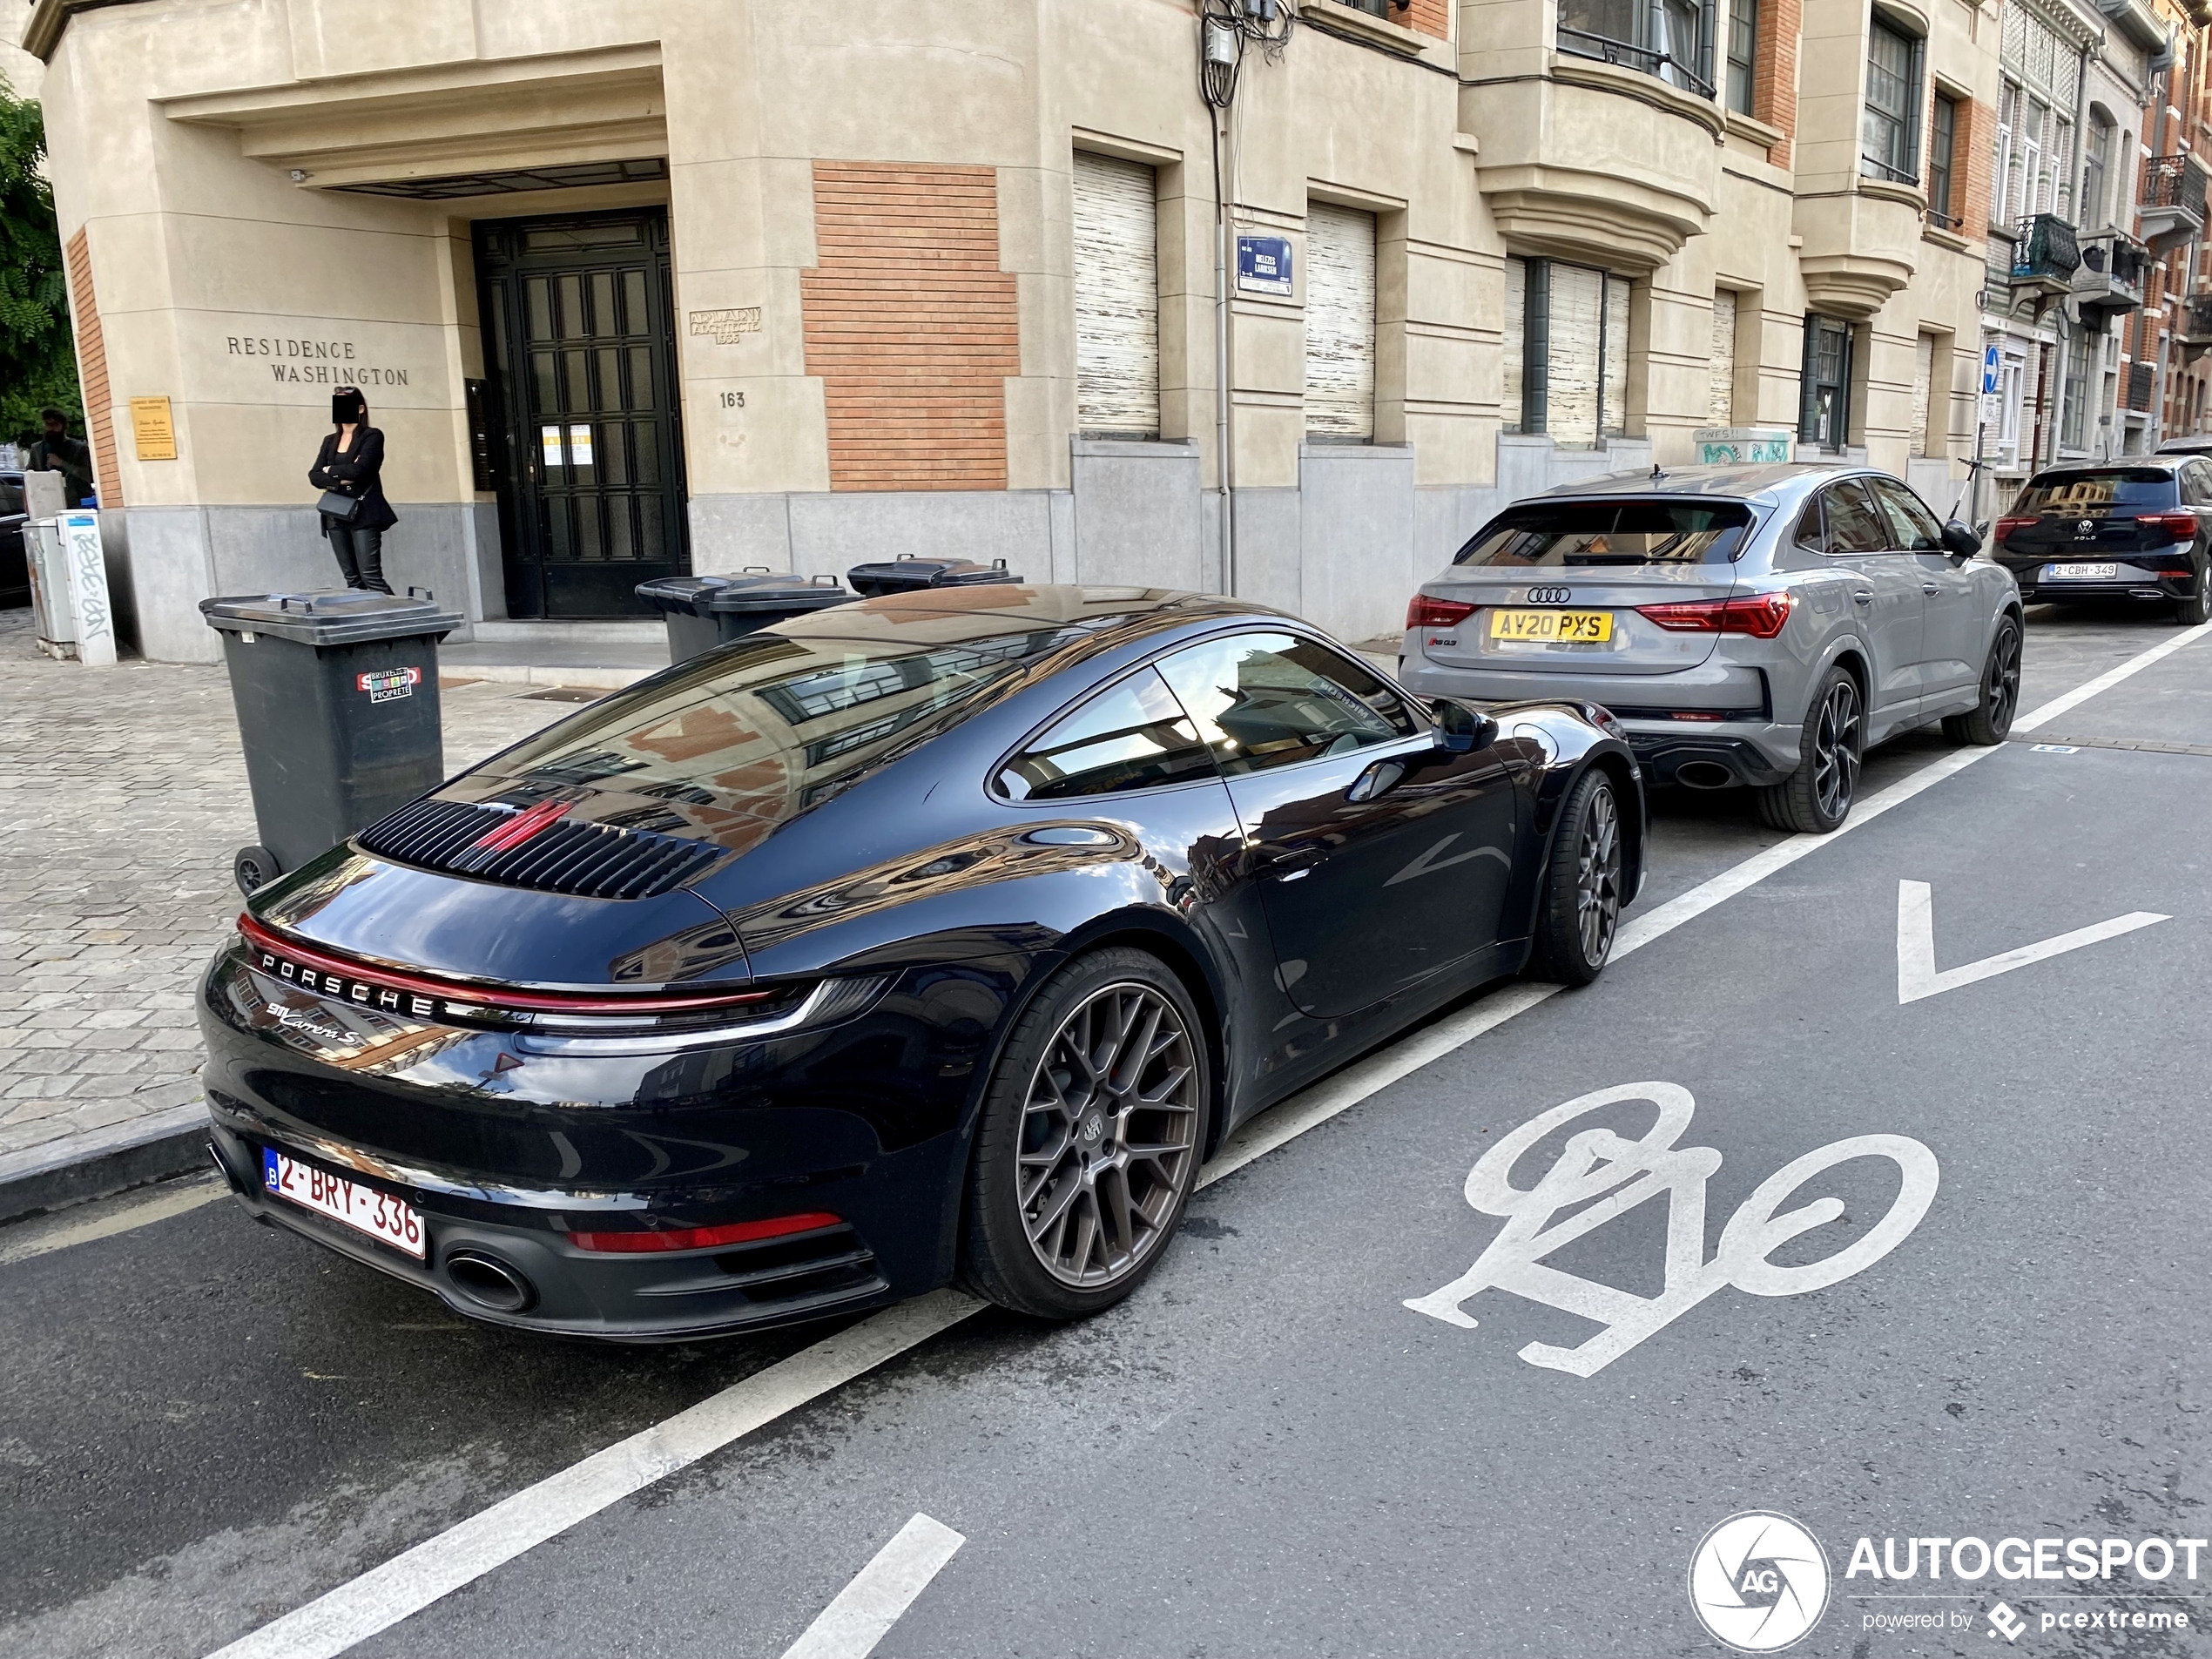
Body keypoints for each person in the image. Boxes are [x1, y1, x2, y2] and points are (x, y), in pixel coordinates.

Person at [309, 386, 397, 593]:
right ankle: (365, 624)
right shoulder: (329, 440)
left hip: (364, 512)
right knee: (353, 581)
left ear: (359, 409)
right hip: (335, 513)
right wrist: (340, 480)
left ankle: (399, 621)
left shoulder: (372, 436)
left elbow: (361, 470)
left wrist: (330, 470)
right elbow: (314, 475)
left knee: (371, 577)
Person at [28, 408, 92, 502]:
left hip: (76, 501)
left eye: (54, 425)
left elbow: (87, 475)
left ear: (64, 426)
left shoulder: (79, 448)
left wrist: (61, 463)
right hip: (45, 501)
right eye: (47, 425)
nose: (50, 429)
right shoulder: (37, 449)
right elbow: (28, 477)